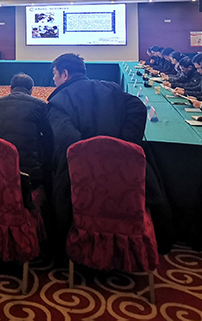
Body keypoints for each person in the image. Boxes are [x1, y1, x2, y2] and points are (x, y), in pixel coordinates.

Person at [46, 53, 170, 253]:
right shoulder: (110, 87)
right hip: (123, 173)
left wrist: (92, 158)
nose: (54, 80)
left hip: (80, 180)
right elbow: (138, 107)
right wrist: (123, 146)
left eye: (55, 74)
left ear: (65, 74)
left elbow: (68, 141)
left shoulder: (58, 101)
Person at [0, 73, 53, 186]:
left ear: (10, 88)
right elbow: (48, 135)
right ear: (31, 90)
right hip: (29, 173)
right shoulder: (39, 104)